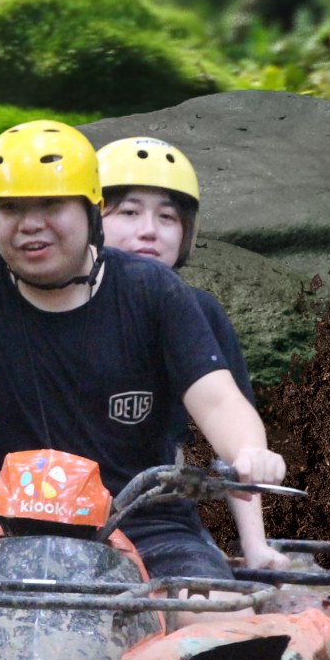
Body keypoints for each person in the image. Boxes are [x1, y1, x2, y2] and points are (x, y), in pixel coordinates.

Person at [0, 120, 286, 586]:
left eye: (52, 204)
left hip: (147, 528)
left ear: (90, 211)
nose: (30, 223)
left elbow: (219, 401)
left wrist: (249, 452)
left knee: (214, 614)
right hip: (1, 527)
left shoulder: (154, 292)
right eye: (10, 207)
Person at [96, 133, 273, 559]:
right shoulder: (41, 302)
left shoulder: (197, 312)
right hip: (37, 511)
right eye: (129, 212)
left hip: (154, 519)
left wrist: (256, 546)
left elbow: (231, 441)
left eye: (168, 218)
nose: (149, 232)